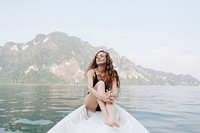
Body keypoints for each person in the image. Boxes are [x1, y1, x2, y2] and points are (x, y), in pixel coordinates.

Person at [84, 50, 120, 127]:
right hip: (91, 103)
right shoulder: (91, 72)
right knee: (100, 83)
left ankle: (112, 119)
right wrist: (102, 97)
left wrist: (112, 95)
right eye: (97, 57)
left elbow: (115, 90)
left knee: (110, 94)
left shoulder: (113, 73)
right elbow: (89, 88)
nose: (98, 58)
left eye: (101, 56)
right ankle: (105, 115)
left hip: (105, 100)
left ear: (107, 59)